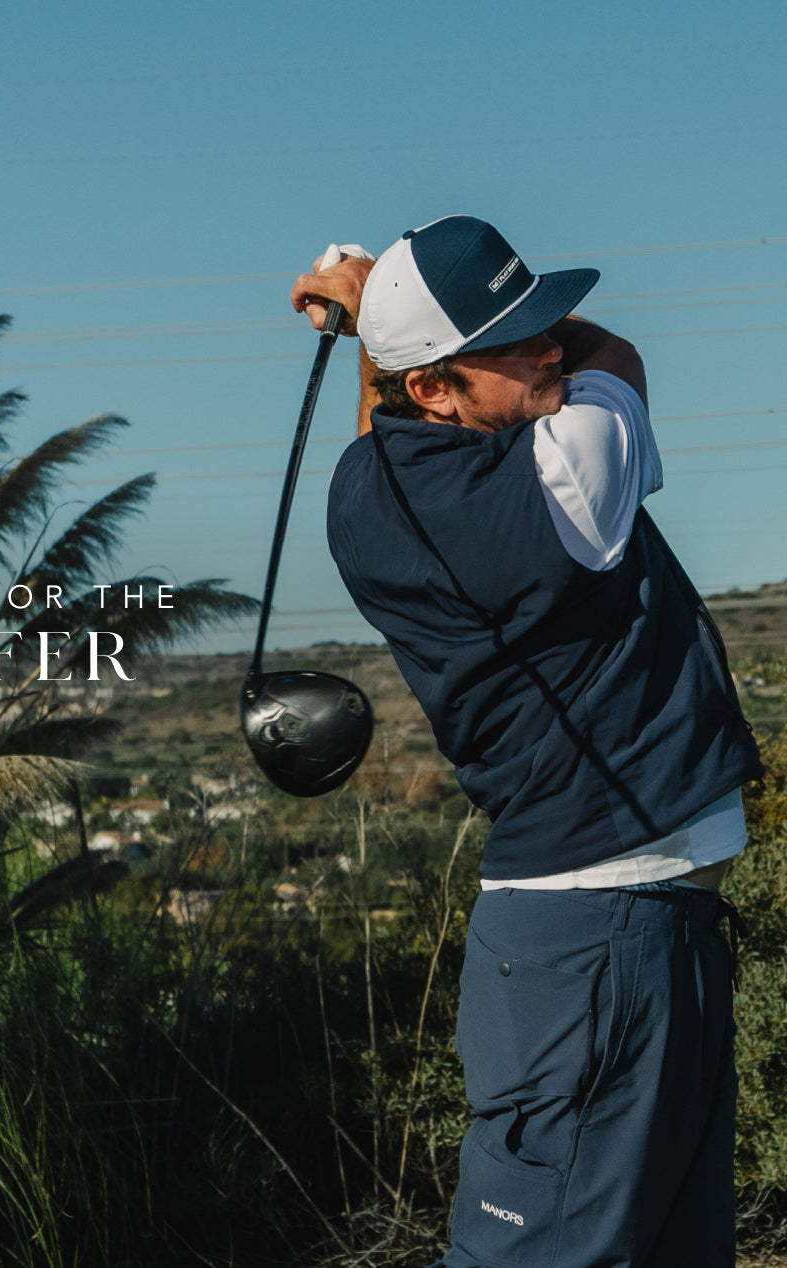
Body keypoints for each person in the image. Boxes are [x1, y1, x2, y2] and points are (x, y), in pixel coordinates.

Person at [290, 215, 765, 1268]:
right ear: (439, 389)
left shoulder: (362, 497)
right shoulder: (567, 475)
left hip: (623, 935)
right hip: (600, 948)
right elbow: (617, 357)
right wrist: (376, 309)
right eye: (517, 340)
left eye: (545, 320)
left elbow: (383, 412)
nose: (551, 345)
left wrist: (381, 320)